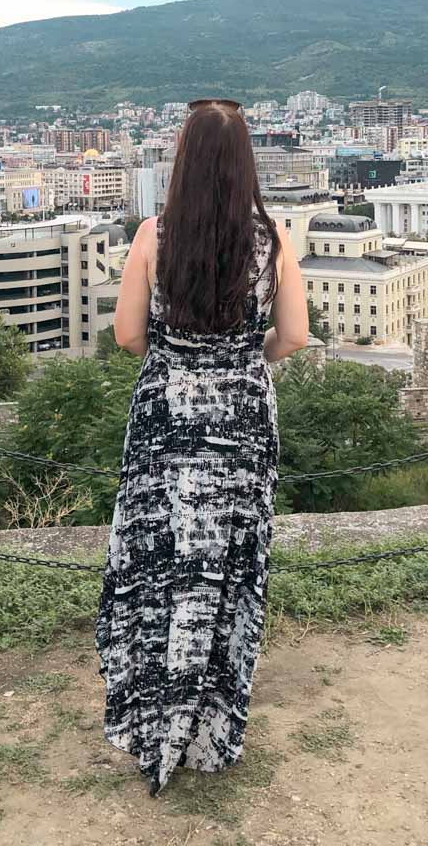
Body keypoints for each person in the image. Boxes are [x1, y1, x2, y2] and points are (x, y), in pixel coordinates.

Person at [95, 97, 308, 797]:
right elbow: (295, 337)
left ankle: (154, 724)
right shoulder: (274, 239)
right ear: (247, 163)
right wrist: (246, 358)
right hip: (243, 423)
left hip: (168, 422)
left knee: (161, 573)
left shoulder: (153, 237)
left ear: (183, 162)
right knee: (227, 576)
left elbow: (128, 336)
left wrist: (183, 362)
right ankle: (213, 730)